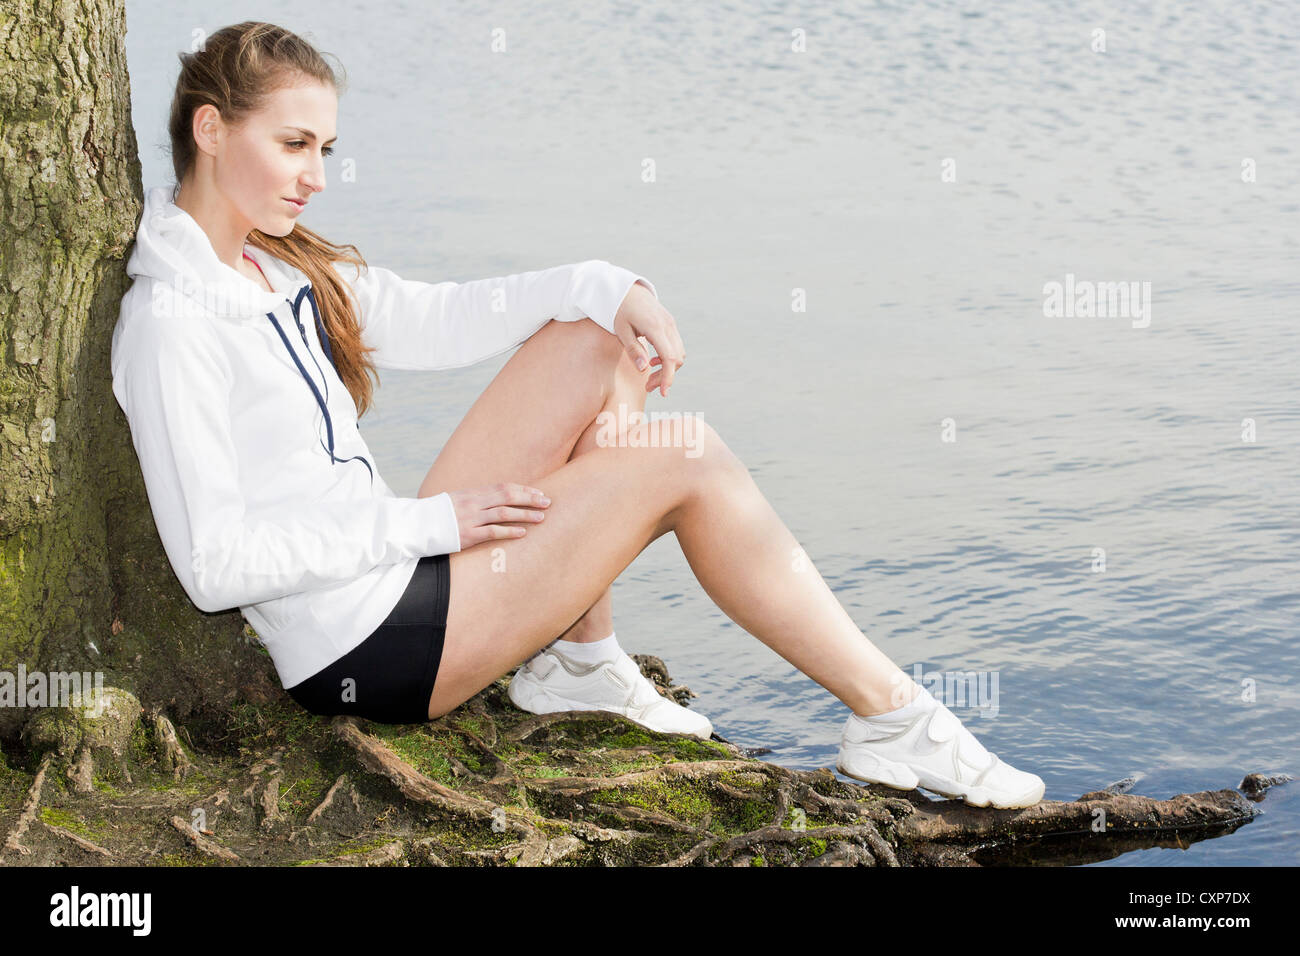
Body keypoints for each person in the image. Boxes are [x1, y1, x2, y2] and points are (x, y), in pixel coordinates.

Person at [111, 20, 1045, 810]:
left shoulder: (278, 265)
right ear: (210, 129)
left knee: (593, 337)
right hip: (369, 645)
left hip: (399, 569)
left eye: (326, 149)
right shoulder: (174, 323)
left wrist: (614, 285)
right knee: (689, 456)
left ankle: (578, 663)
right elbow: (211, 566)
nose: (316, 174)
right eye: (293, 144)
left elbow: (441, 315)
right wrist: (431, 523)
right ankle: (896, 719)